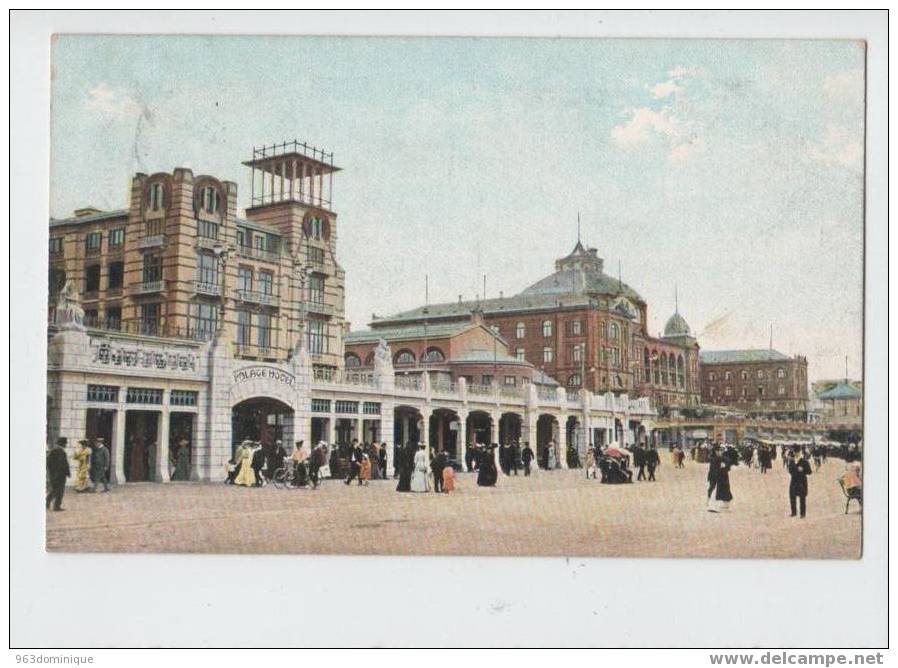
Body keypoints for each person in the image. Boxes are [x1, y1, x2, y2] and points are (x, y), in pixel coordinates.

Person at [46, 437, 70, 511]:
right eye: (65, 443)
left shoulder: (60, 451)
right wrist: (53, 472)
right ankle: (56, 506)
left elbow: (65, 464)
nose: (66, 445)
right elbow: (49, 463)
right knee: (58, 491)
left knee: (55, 490)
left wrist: (67, 472)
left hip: (60, 475)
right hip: (57, 475)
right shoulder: (55, 451)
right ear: (62, 444)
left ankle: (48, 502)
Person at [788, 448, 813, 518]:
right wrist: (796, 469)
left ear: (800, 452)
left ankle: (802, 514)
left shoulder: (804, 461)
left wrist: (803, 469)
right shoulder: (792, 461)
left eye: (798, 452)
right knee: (792, 497)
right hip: (794, 481)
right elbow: (790, 471)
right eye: (795, 452)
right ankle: (793, 512)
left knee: (802, 498)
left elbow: (809, 472)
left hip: (802, 481)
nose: (796, 453)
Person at [709, 447, 734, 513]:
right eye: (717, 451)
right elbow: (711, 469)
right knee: (715, 490)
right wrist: (710, 476)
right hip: (716, 477)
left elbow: (729, 464)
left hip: (723, 477)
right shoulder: (714, 459)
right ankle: (715, 506)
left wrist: (725, 466)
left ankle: (725, 505)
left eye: (720, 451)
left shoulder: (725, 458)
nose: (718, 452)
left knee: (724, 490)